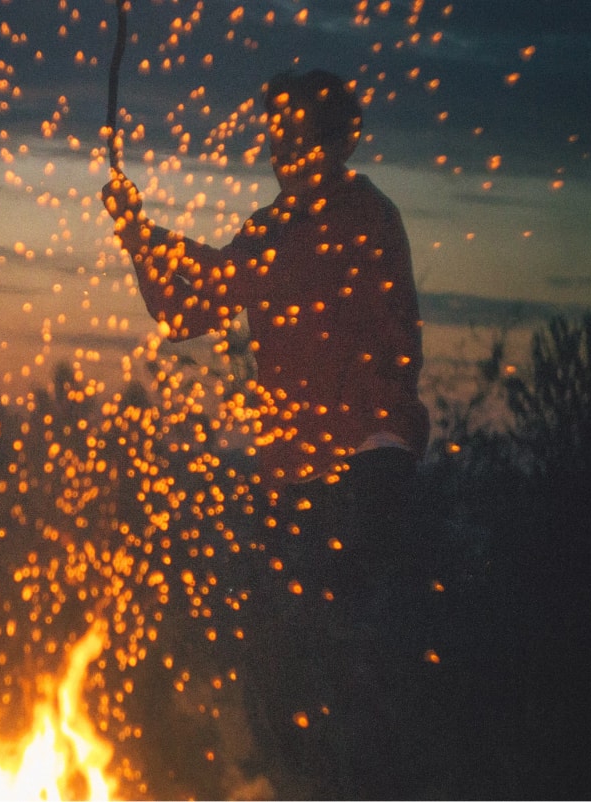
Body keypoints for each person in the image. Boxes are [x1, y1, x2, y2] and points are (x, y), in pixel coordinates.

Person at [103, 69, 440, 797]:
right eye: (274, 131)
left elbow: (388, 352)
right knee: (280, 675)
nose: (276, 145)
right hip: (293, 484)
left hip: (361, 479)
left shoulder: (363, 219)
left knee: (355, 681)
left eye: (290, 131)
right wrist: (137, 232)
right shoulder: (274, 229)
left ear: (327, 138)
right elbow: (190, 306)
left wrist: (383, 462)